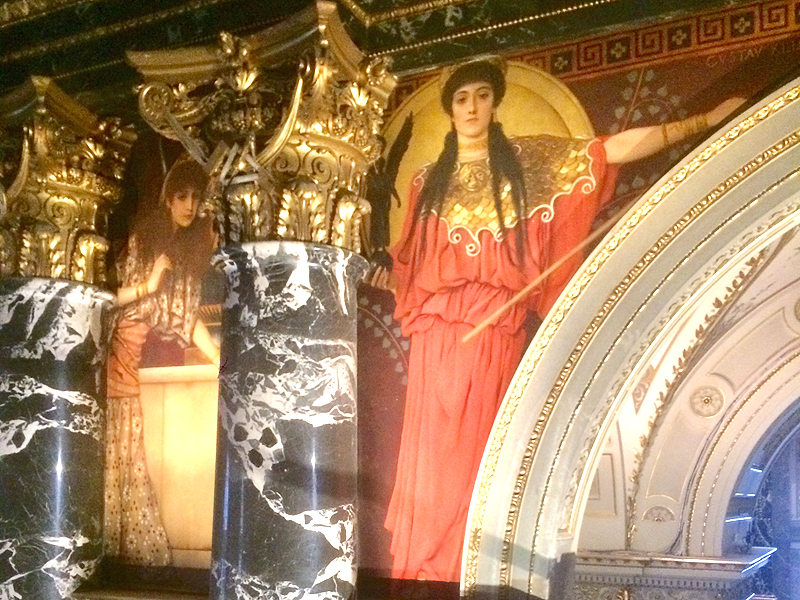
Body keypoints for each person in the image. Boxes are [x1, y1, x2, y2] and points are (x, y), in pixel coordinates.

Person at [369, 59, 743, 582]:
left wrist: (700, 122)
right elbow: (410, 265)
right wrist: (386, 278)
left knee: (476, 459)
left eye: (481, 95)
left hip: (493, 330)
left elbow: (607, 151)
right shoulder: (425, 181)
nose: (472, 107)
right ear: (450, 109)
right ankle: (423, 575)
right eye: (461, 98)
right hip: (435, 338)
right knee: (431, 467)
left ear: (495, 102)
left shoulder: (528, 162)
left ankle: (467, 572)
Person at [104, 156, 219, 565]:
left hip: (132, 360)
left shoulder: (185, 252)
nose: (190, 205)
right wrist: (150, 285)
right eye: (182, 197)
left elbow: (184, 317)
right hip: (111, 351)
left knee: (131, 450)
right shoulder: (144, 239)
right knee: (116, 451)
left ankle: (123, 556)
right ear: (168, 199)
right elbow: (110, 301)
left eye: (195, 198)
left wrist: (217, 358)